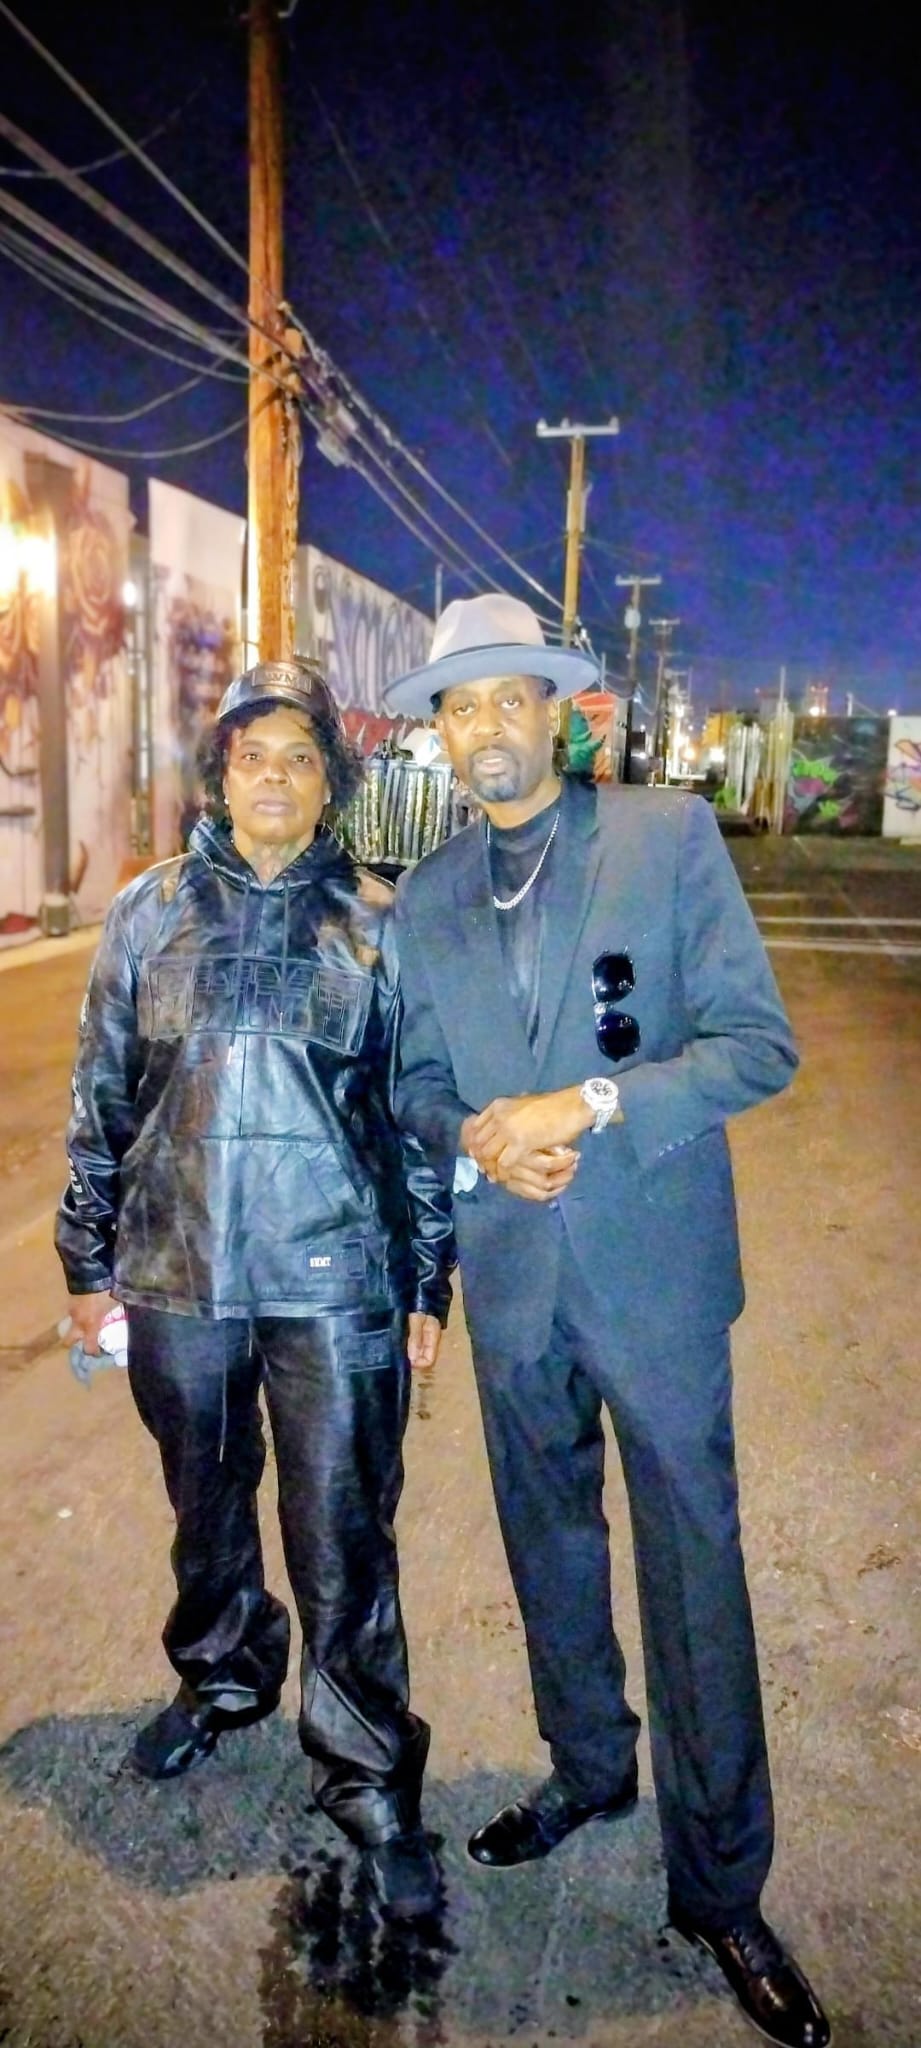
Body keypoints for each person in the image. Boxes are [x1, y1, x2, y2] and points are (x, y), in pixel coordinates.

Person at [383, 594, 830, 2046]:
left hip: (653, 1277)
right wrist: (475, 1140)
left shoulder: (663, 838)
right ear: (440, 735)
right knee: (549, 1548)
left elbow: (755, 1045)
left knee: (695, 1571)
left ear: (557, 713)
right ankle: (588, 1768)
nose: (483, 724)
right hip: (514, 1284)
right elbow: (410, 1093)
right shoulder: (426, 894)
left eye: (507, 696)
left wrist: (585, 1105)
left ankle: (719, 1885)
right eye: (457, 705)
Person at [56, 657, 455, 1922]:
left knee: (345, 1530)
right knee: (205, 1501)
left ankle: (369, 1772)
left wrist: (428, 1277)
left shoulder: (383, 923)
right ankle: (223, 1678)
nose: (271, 774)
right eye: (249, 754)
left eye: (297, 755)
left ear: (329, 780)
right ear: (220, 773)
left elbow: (417, 1126)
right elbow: (102, 1096)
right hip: (177, 1271)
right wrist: (85, 1262)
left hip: (334, 1282)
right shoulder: (147, 912)